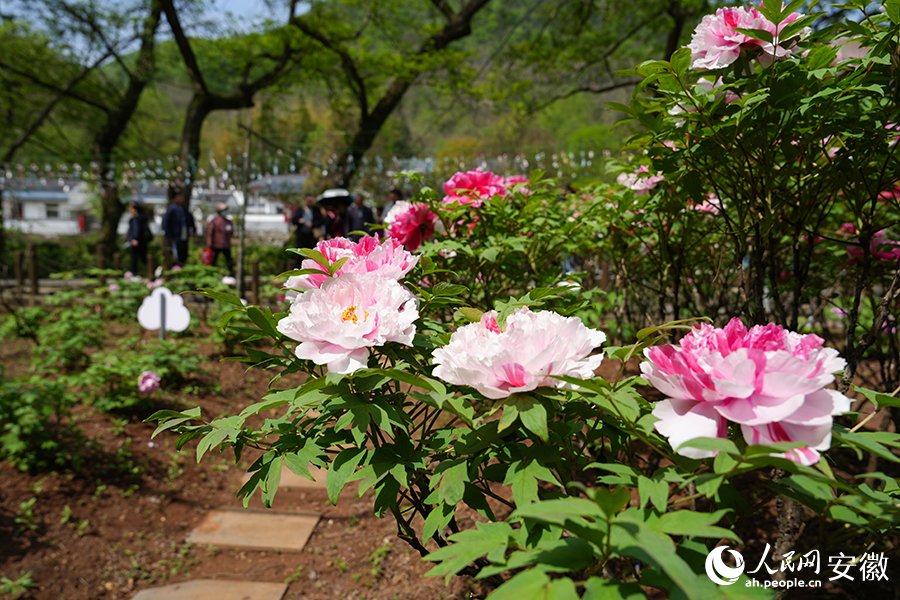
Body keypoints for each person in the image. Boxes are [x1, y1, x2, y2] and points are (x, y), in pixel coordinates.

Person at [162, 189, 195, 266]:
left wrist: (193, 230)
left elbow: (191, 220)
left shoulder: (184, 210)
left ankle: (182, 268)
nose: (182, 199)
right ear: (174, 199)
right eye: (179, 198)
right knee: (177, 254)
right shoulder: (171, 210)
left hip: (184, 234)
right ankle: (176, 269)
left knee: (184, 252)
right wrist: (169, 235)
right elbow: (165, 223)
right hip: (175, 236)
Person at [290, 194, 324, 265]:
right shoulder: (300, 210)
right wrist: (300, 221)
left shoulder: (316, 210)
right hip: (302, 236)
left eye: (311, 201)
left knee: (312, 254)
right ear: (305, 201)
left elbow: (321, 221)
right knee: (299, 254)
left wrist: (312, 224)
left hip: (312, 236)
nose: (310, 202)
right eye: (309, 201)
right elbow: (294, 220)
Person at [206, 202, 235, 275]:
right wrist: (209, 244)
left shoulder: (228, 221)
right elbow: (210, 233)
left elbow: (232, 232)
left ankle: (232, 274)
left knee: (229, 260)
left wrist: (230, 231)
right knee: (214, 260)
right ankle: (212, 274)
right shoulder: (214, 221)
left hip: (226, 244)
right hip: (216, 245)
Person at [126, 201, 152, 275]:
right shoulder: (143, 217)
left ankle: (133, 273)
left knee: (135, 257)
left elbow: (137, 229)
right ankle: (153, 269)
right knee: (143, 256)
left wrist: (135, 238)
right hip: (143, 240)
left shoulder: (137, 219)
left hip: (137, 240)